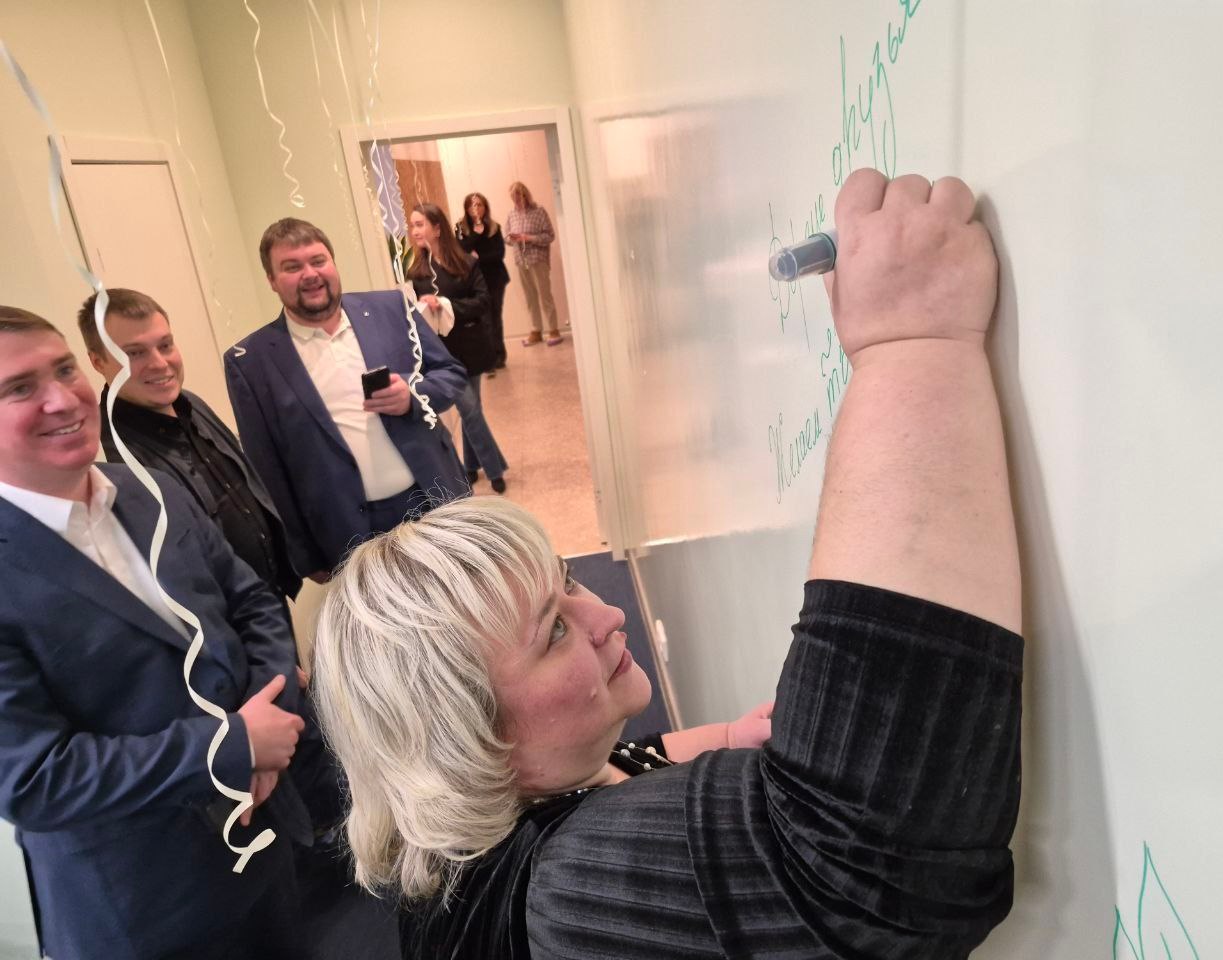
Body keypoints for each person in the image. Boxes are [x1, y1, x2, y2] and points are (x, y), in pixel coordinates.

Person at [310, 168, 1023, 958]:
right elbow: (864, 875)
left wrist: (728, 735)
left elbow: (621, 763)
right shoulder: (556, 898)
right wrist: (911, 347)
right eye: (553, 632)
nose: (607, 614)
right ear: (468, 744)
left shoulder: (502, 797)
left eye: (569, 583)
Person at [0, 307, 313, 960]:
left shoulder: (147, 490)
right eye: (19, 388)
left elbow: (251, 602)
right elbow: (35, 779)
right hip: (146, 906)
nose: (62, 399)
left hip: (261, 843)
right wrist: (231, 747)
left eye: (64, 369)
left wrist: (272, 712)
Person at [224, 218, 470, 584]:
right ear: (272, 280)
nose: (310, 274)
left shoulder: (391, 309)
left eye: (318, 260)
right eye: (291, 267)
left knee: (462, 602)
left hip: (433, 499)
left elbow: (451, 374)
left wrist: (412, 395)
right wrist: (303, 553)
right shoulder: (250, 361)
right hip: (350, 532)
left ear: (333, 263)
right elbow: (267, 467)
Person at [77, 288, 301, 606]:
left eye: (165, 345)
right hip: (227, 624)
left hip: (268, 599)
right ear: (98, 361)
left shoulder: (192, 404)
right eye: (134, 353)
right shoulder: (112, 459)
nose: (159, 363)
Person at [409, 202, 510, 495]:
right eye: (412, 225)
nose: (414, 231)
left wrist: (445, 305)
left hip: (471, 348)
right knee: (470, 409)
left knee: (471, 410)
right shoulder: (417, 271)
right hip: (442, 356)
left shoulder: (465, 263)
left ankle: (471, 466)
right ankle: (494, 468)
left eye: (420, 224)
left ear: (437, 228)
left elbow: (482, 301)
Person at [456, 191, 511, 373]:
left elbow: (499, 254)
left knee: (495, 317)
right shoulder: (460, 228)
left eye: (479, 204)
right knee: (483, 319)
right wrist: (476, 235)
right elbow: (462, 253)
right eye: (472, 205)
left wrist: (478, 257)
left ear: (485, 207)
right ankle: (489, 358)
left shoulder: (494, 227)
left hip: (495, 279)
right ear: (466, 208)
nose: (476, 209)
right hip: (475, 281)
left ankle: (499, 356)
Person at [505, 180, 562, 347]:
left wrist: (528, 238)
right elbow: (506, 238)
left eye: (518, 197)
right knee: (530, 297)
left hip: (538, 259)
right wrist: (512, 238)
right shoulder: (511, 215)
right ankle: (536, 331)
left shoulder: (539, 211)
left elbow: (550, 235)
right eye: (513, 198)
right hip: (521, 261)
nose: (516, 200)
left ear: (525, 195)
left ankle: (553, 330)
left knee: (545, 295)